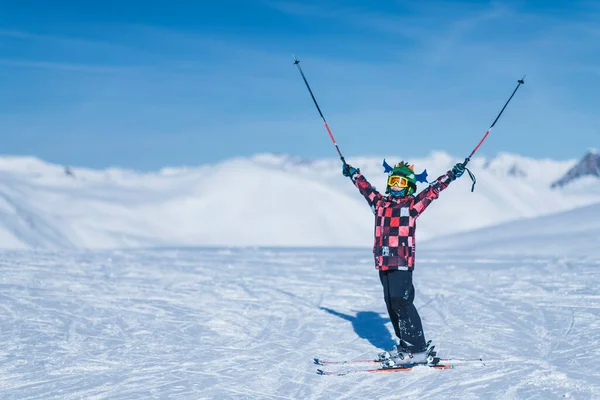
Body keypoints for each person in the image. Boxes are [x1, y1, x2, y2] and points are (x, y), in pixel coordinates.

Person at [342, 160, 465, 367]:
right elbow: (366, 190)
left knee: (402, 301)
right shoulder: (380, 204)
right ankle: (405, 344)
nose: (395, 185)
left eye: (400, 181)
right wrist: (354, 175)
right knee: (391, 304)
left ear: (408, 185)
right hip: (383, 261)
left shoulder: (412, 205)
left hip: (401, 261)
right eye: (393, 180)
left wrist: (451, 174)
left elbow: (433, 190)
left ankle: (417, 349)